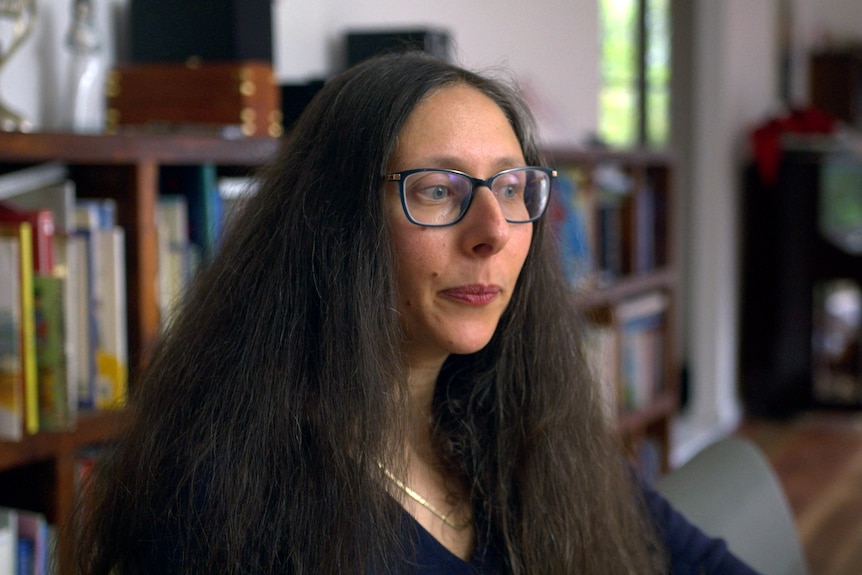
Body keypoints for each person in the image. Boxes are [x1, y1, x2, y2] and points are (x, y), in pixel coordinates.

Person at [70, 52, 759, 575]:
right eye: (437, 190)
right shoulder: (214, 501)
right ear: (338, 226)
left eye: (513, 187)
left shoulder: (525, 425)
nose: (493, 229)